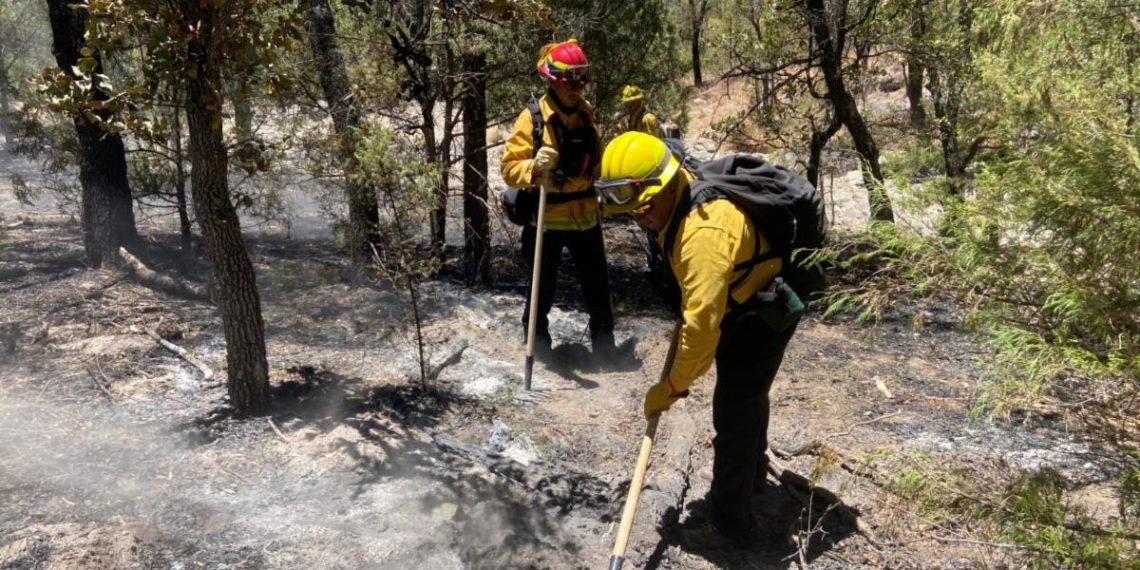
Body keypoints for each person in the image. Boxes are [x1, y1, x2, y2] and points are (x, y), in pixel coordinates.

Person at [597, 132, 808, 549]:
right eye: (631, 212)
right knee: (746, 397)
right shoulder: (676, 194)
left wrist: (671, 387)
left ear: (669, 183)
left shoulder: (703, 234)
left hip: (763, 313)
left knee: (734, 409)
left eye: (644, 209)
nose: (640, 219)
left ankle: (730, 526)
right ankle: (753, 476)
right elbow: (700, 303)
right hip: (738, 303)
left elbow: (700, 333)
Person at [500, 39, 616, 358]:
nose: (576, 88)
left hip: (586, 215)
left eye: (582, 80)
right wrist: (533, 168)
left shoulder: (585, 112)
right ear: (552, 79)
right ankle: (537, 348)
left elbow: (597, 156)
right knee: (542, 289)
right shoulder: (531, 118)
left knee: (597, 287)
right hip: (546, 220)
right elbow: (509, 169)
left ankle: (606, 349)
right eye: (570, 81)